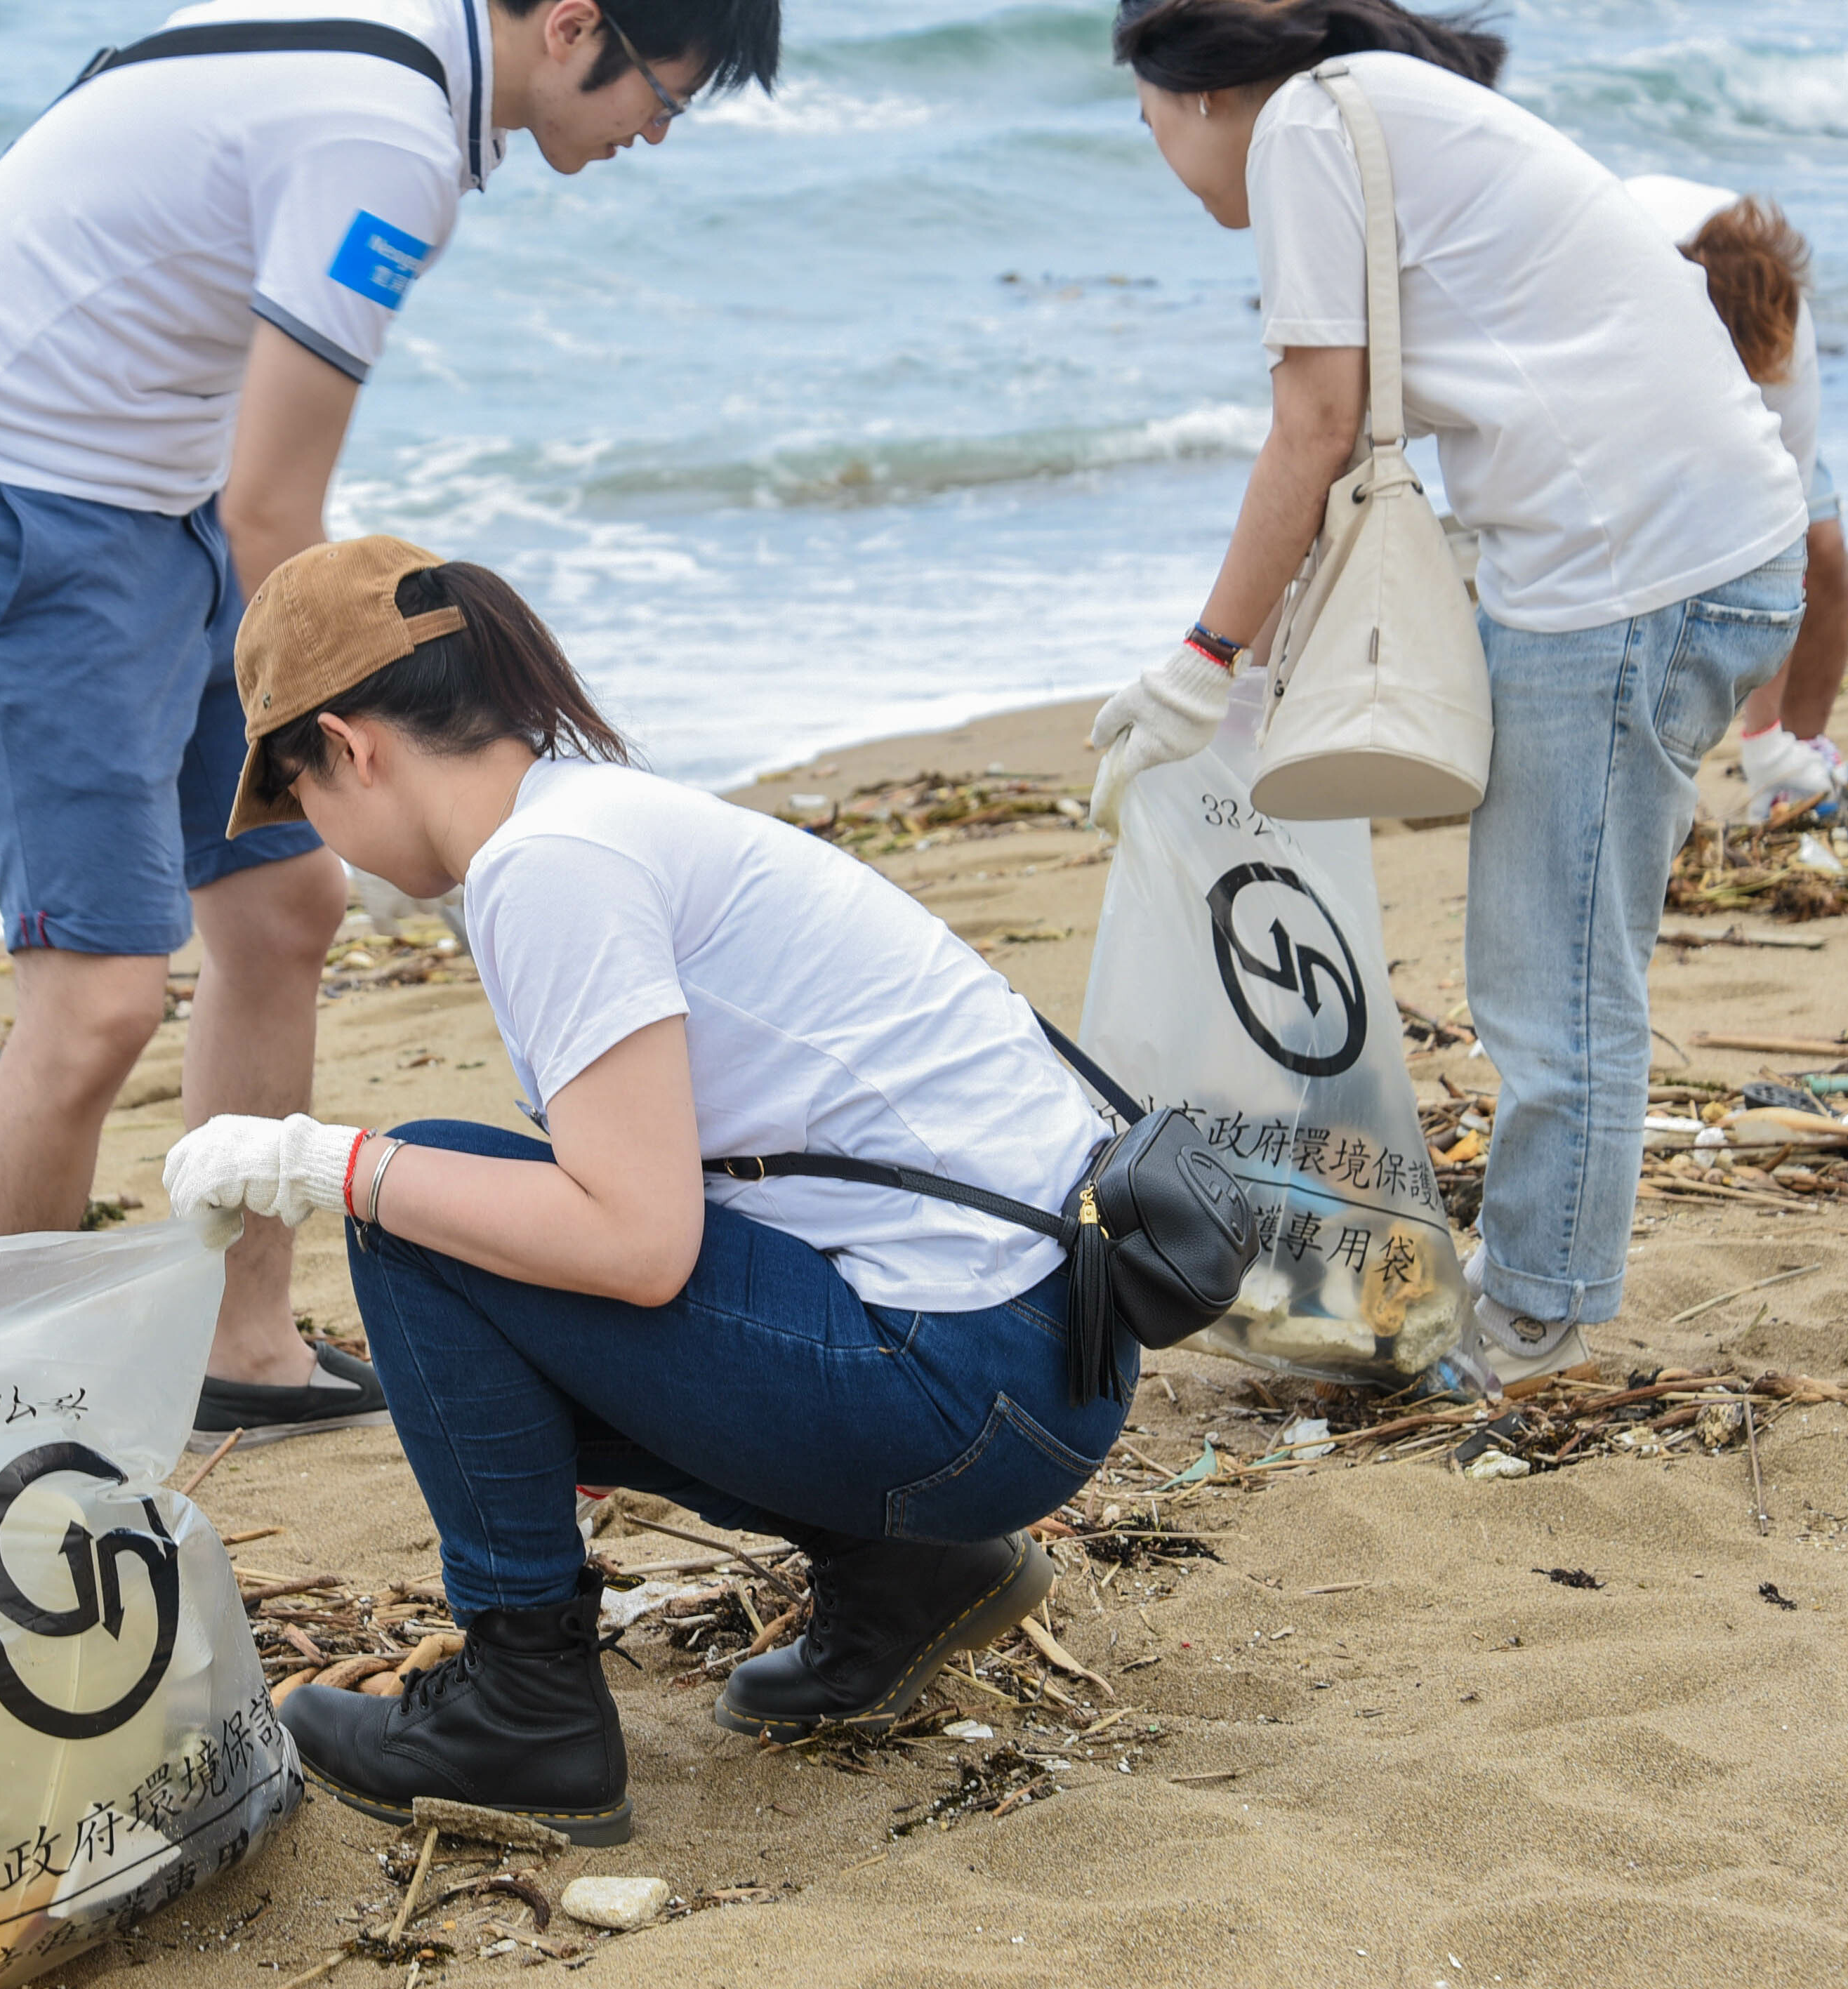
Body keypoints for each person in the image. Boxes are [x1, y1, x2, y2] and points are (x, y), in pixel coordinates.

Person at [0, 0, 781, 1449]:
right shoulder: (389, 138)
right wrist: (399, 734)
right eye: (667, 95)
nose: (654, 135)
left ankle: (240, 1336)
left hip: (149, 497)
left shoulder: (395, 57)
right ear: (575, 24)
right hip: (21, 500)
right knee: (95, 1000)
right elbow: (277, 515)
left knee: (286, 899)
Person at [161, 538, 1130, 1844]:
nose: (323, 839)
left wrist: (323, 1164)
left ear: (350, 743)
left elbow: (638, 1244)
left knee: (414, 1217)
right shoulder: (595, 814)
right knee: (469, 1208)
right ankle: (906, 1570)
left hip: (972, 1385)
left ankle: (525, 1704)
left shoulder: (549, 865)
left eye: (300, 794)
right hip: (1047, 1349)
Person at [1089, 0, 1807, 1390]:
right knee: (1553, 950)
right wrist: (1228, 668)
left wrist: (1202, 663)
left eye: (1145, 125)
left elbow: (1313, 420)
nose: (1162, 157)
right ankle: (1536, 1283)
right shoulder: (1374, 104)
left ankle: (1533, 1319)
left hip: (1632, 575)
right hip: (1665, 552)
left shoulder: (1307, 126)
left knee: (1556, 974)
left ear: (1201, 93)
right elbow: (1352, 431)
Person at [1624, 177, 1848, 822]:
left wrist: (1762, 736)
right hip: (1629, 391)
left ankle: (1791, 760)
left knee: (1825, 550)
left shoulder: (1785, 328)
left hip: (1717, 356)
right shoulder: (1629, 291)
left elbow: (1787, 542)